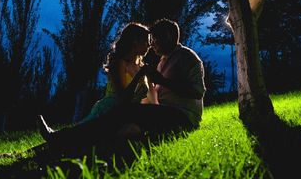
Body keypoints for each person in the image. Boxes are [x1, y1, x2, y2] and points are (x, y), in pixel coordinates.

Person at [38, 18, 205, 149]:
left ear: (168, 36)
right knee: (119, 121)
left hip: (182, 116)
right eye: (149, 40)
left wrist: (160, 81)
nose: (152, 44)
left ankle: (60, 138)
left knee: (121, 113)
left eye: (154, 40)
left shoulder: (187, 57)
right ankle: (64, 141)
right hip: (166, 113)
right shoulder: (162, 62)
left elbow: (197, 92)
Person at [82, 22, 153, 122]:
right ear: (135, 42)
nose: (149, 45)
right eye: (146, 41)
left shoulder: (140, 65)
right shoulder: (118, 63)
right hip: (112, 110)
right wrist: (138, 76)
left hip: (132, 112)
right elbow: (123, 98)